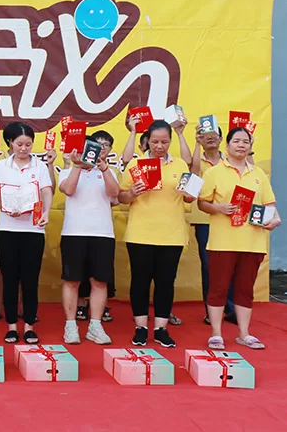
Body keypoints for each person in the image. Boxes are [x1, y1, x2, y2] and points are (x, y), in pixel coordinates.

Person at [198, 127, 280, 349]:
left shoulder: (258, 174)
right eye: (236, 141)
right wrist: (219, 208)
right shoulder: (214, 172)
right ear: (227, 145)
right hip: (222, 242)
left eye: (246, 141)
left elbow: (270, 205)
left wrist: (275, 219)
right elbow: (202, 203)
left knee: (245, 289)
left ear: (250, 146)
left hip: (252, 241)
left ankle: (244, 333)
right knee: (218, 287)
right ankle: (216, 333)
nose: (241, 145)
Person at [118, 120, 194, 347]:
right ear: (147, 141)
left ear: (170, 141)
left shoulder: (180, 165)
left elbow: (189, 197)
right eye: (155, 141)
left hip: (172, 234)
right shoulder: (136, 164)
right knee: (140, 281)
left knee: (166, 282)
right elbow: (121, 197)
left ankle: (161, 328)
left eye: (164, 142)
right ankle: (140, 327)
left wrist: (189, 194)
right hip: (140, 233)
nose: (160, 146)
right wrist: (132, 192)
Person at [0, 122, 53, 344]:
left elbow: (46, 191)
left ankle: (29, 326)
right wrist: (7, 208)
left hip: (33, 229)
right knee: (10, 279)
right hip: (7, 228)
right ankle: (12, 326)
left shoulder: (40, 166)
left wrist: (46, 212)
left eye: (28, 144)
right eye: (19, 144)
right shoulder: (2, 166)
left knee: (30, 279)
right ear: (10, 143)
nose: (24, 149)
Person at [58, 131, 119, 345]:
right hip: (74, 232)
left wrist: (104, 169)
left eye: (101, 147)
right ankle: (70, 325)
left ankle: (95, 325)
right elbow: (69, 190)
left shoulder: (109, 171)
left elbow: (115, 193)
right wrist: (77, 165)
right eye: (89, 148)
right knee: (72, 280)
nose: (96, 151)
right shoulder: (67, 171)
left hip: (103, 233)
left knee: (99, 281)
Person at [191, 125, 237, 325]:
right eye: (205, 136)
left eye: (214, 135)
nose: (210, 138)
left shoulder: (230, 160)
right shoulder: (197, 161)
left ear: (221, 139)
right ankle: (211, 309)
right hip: (204, 220)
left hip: (230, 218)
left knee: (231, 264)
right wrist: (195, 143)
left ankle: (231, 308)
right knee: (209, 266)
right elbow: (192, 174)